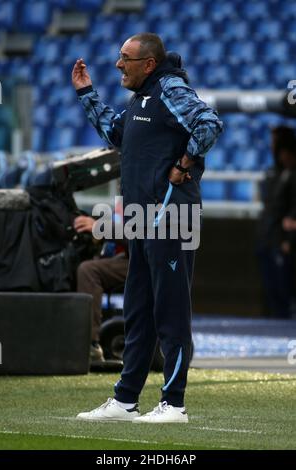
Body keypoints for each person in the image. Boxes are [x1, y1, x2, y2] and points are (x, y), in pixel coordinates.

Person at [72, 33, 223, 423]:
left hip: (171, 219)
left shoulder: (170, 89)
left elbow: (209, 123)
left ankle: (174, 404)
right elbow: (115, 134)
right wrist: (87, 94)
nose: (118, 64)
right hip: (142, 221)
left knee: (171, 312)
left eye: (125, 58)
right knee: (138, 311)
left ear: (148, 64)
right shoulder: (140, 97)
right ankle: (125, 401)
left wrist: (185, 164)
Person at [74, 214, 128, 365]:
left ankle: (89, 345)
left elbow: (143, 235)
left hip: (154, 258)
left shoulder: (150, 194)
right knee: (85, 264)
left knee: (88, 270)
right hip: (135, 254)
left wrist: (101, 227)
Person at [257, 127, 296, 318]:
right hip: (267, 237)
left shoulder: (291, 175)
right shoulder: (274, 173)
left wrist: (288, 239)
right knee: (272, 290)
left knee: (285, 290)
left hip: (282, 241)